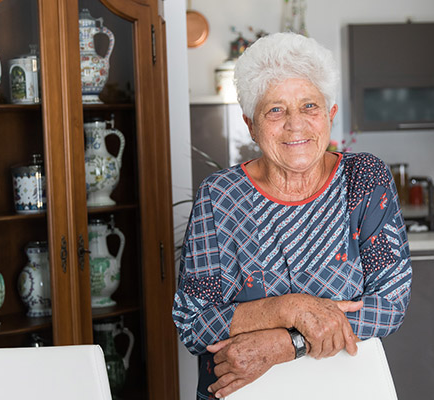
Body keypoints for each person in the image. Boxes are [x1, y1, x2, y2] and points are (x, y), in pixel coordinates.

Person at [173, 32, 412, 400]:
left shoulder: (364, 179)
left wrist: (285, 344)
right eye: (275, 110)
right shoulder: (219, 197)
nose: (295, 124)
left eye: (309, 106)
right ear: (251, 125)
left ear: (329, 114)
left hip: (343, 387)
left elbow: (389, 304)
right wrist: (291, 308)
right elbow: (194, 322)